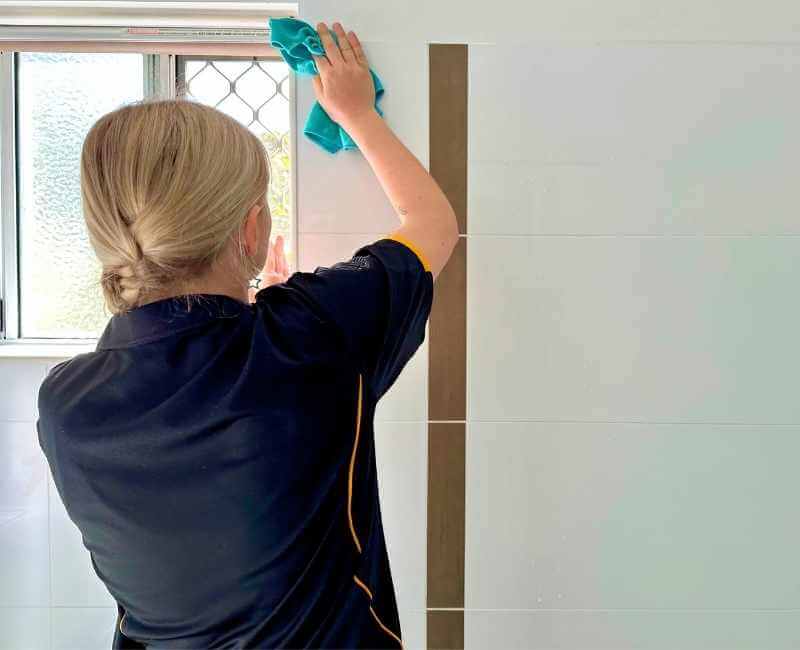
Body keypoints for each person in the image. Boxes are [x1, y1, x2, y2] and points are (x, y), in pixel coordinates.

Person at [35, 20, 458, 650]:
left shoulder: (65, 404)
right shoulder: (313, 333)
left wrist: (255, 307)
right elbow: (433, 224)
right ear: (251, 229)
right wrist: (356, 113)